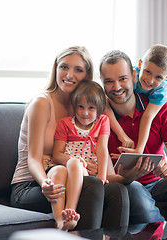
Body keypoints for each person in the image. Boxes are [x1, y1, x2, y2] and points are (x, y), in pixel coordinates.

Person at [10, 46, 129, 231]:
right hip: (31, 185)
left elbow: (102, 119)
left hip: (70, 177)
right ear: (55, 69)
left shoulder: (81, 108)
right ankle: (70, 228)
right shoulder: (42, 103)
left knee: (117, 191)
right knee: (92, 186)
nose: (69, 74)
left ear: (87, 75)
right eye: (64, 67)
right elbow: (33, 159)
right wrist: (45, 184)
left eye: (78, 70)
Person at [99, 50, 167, 240]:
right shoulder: (98, 117)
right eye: (108, 81)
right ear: (101, 82)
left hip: (158, 185)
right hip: (125, 187)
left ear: (134, 75)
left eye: (122, 79)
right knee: (132, 188)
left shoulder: (160, 107)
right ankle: (164, 219)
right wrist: (129, 176)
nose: (116, 87)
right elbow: (104, 176)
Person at [52, 80, 109, 230]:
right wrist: (74, 160)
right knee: (68, 166)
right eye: (81, 107)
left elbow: (102, 148)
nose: (85, 113)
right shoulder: (66, 123)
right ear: (74, 106)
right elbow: (56, 155)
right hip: (67, 167)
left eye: (91, 108)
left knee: (76, 164)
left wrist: (102, 177)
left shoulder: (103, 121)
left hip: (86, 172)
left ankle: (69, 212)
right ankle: (61, 220)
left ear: (99, 109)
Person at [104, 44, 167, 153]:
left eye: (158, 77)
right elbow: (104, 100)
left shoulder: (162, 90)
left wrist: (139, 149)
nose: (150, 80)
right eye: (148, 72)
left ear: (166, 76)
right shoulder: (132, 76)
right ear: (140, 64)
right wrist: (121, 135)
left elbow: (147, 117)